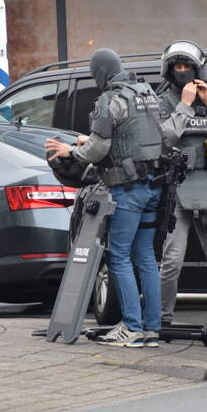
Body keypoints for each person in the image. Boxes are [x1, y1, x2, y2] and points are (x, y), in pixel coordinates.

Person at [45, 48, 166, 348]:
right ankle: (152, 328)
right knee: (146, 257)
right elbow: (140, 134)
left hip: (127, 190)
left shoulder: (109, 100)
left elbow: (98, 151)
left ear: (100, 73)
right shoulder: (146, 92)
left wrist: (70, 151)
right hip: (154, 185)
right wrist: (94, 141)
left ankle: (132, 328)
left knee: (119, 256)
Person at [155, 40, 207, 329]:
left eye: (187, 66)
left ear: (197, 69)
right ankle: (162, 318)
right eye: (177, 66)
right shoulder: (164, 101)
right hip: (177, 194)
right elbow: (164, 137)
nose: (182, 71)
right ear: (170, 70)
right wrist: (185, 105)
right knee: (172, 260)